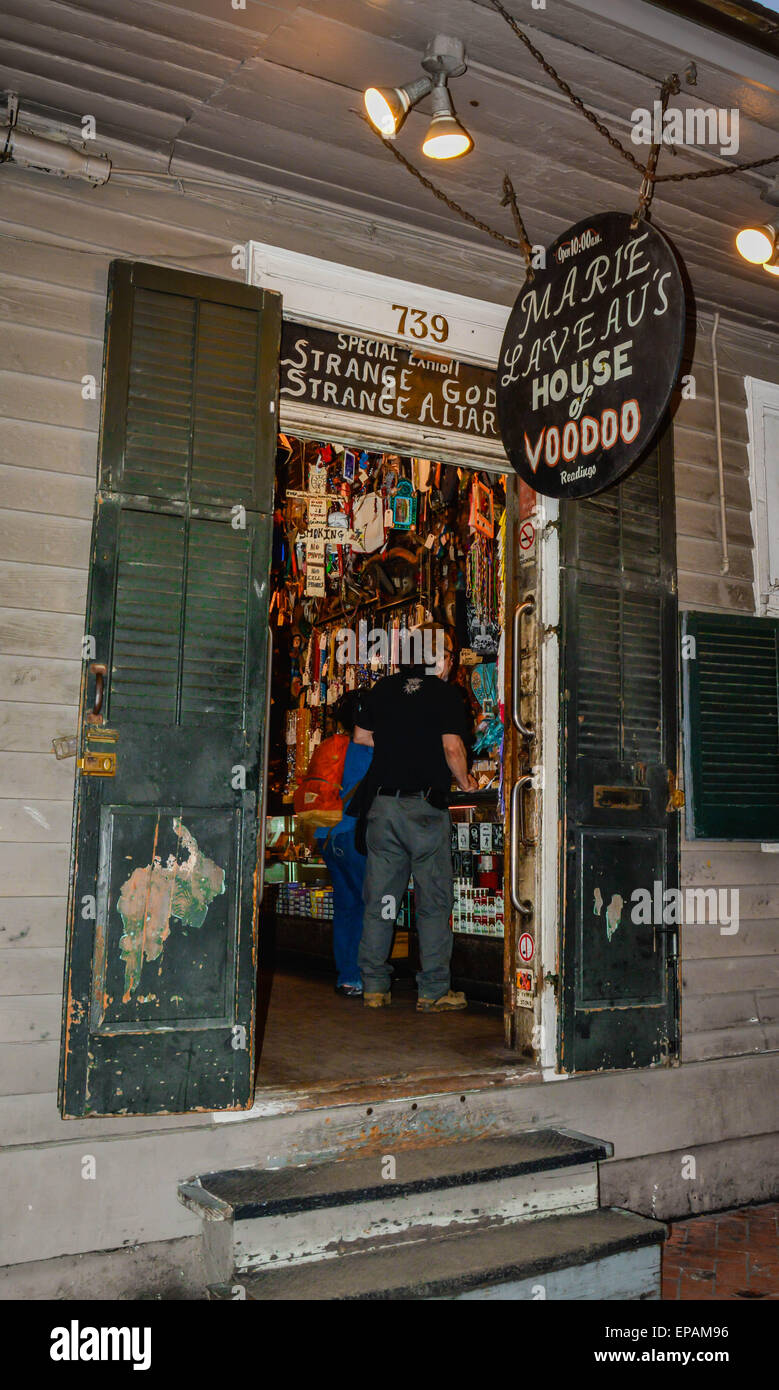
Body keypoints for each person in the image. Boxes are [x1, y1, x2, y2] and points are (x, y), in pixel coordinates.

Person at [353, 622, 478, 1013]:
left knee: (381, 900)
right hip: (424, 810)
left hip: (384, 808)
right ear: (438, 657)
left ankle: (374, 985)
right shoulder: (444, 695)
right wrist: (467, 780)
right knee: (433, 902)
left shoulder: (383, 689)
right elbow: (453, 748)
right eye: (449, 655)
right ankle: (434, 990)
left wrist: (397, 741)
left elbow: (361, 736)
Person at [314, 692, 373, 998]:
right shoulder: (368, 751)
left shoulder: (328, 747)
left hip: (326, 836)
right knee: (368, 906)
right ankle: (366, 975)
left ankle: (347, 977)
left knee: (346, 906)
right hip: (354, 837)